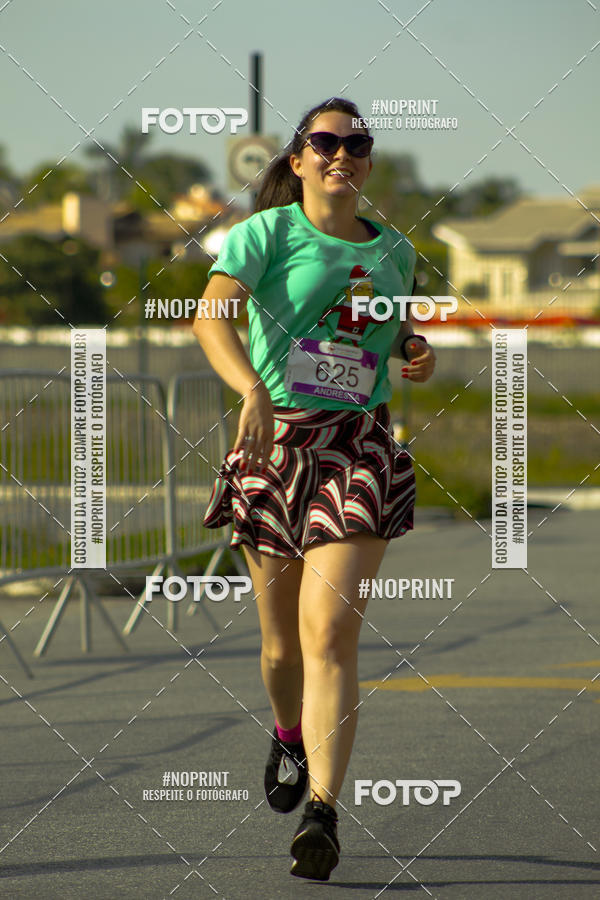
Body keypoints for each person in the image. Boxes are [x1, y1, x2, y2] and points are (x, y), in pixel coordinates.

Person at [192, 96, 436, 881]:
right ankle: (289, 733)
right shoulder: (263, 233)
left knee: (330, 635)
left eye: (356, 142)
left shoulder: (394, 248)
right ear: (297, 159)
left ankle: (324, 813)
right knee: (280, 644)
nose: (343, 153)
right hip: (276, 444)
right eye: (325, 141)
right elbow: (210, 318)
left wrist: (415, 346)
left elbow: (394, 325)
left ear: (367, 160)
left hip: (358, 446)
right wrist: (250, 391)